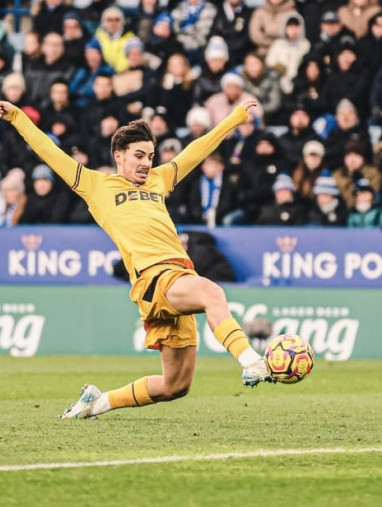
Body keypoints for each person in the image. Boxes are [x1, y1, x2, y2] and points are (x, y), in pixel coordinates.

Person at [0, 97, 280, 420]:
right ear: (118, 156)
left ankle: (96, 403)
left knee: (175, 386)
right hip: (154, 278)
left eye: (150, 156)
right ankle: (251, 361)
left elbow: (199, 148)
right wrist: (18, 117)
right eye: (139, 156)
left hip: (178, 275)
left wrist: (235, 118)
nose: (147, 163)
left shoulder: (159, 180)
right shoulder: (96, 185)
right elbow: (49, 152)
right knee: (213, 293)